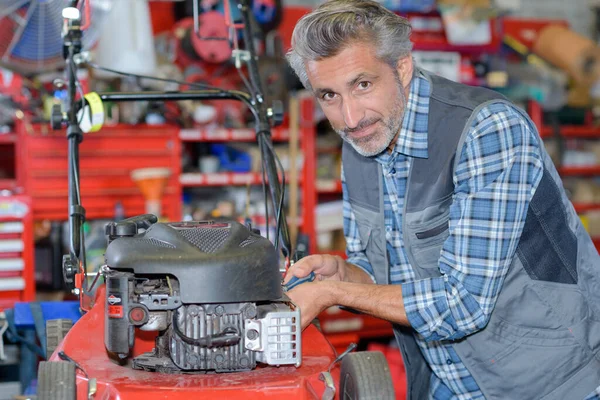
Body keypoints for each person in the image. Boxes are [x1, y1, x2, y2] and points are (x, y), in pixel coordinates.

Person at [283, 1, 600, 399]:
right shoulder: (362, 139)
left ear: (401, 67)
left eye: (362, 84)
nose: (349, 117)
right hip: (448, 382)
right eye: (329, 95)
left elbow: (463, 303)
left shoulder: (486, 130)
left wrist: (334, 295)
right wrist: (344, 275)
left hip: (549, 383)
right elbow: (382, 269)